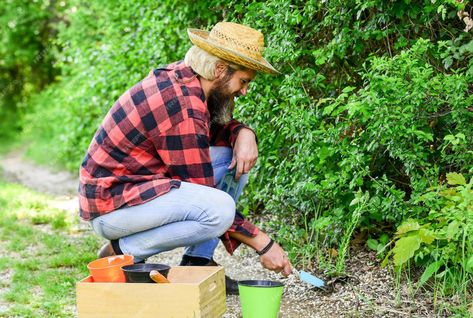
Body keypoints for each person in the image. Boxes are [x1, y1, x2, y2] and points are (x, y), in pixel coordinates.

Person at [78, 21, 292, 294]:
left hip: (135, 189)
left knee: (232, 158)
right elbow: (205, 195)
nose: (244, 91)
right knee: (219, 210)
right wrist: (265, 244)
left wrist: (244, 133)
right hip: (112, 207)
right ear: (219, 70)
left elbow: (214, 133)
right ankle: (122, 251)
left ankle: (198, 261)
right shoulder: (180, 106)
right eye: (243, 81)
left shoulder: (188, 79)